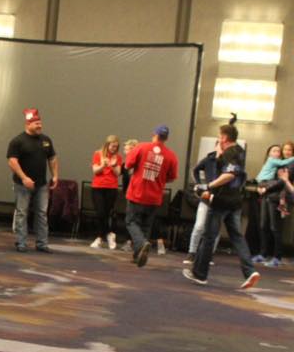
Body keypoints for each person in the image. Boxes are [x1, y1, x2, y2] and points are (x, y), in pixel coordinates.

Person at [183, 123, 260, 289]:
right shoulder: (239, 151)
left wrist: (209, 186)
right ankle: (250, 271)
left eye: (219, 137)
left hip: (221, 201)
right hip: (236, 201)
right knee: (237, 237)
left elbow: (229, 175)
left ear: (224, 138)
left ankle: (199, 274)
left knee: (209, 236)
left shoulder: (230, 153)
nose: (218, 140)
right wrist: (219, 156)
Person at [124, 125, 178, 267]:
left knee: (131, 222)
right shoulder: (171, 155)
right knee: (146, 226)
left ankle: (141, 244)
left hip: (137, 192)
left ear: (154, 134)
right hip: (154, 196)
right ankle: (138, 256)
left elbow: (128, 165)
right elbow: (172, 177)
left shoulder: (141, 147)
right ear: (166, 138)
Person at [7, 108, 57, 253]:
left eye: (40, 123)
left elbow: (52, 158)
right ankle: (21, 242)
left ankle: (42, 243)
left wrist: (55, 175)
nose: (39, 126)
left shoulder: (46, 140)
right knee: (22, 212)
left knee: (42, 213)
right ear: (27, 124)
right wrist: (24, 178)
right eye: (36, 123)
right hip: (22, 184)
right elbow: (12, 161)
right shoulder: (18, 141)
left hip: (41, 184)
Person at [252, 143, 294, 267]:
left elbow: (281, 181)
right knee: (264, 225)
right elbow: (268, 179)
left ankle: (277, 257)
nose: (286, 151)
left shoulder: (291, 164)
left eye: (289, 150)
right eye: (285, 149)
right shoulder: (278, 162)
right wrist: (260, 188)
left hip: (278, 198)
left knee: (276, 228)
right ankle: (263, 254)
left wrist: (266, 189)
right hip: (268, 196)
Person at [89, 135, 122, 249]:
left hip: (111, 188)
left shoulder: (117, 157)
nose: (114, 149)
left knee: (106, 214)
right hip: (98, 187)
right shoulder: (98, 154)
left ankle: (100, 238)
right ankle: (108, 234)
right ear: (107, 145)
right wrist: (103, 164)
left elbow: (118, 173)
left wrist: (113, 166)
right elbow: (95, 171)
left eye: (116, 147)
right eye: (113, 146)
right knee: (100, 213)